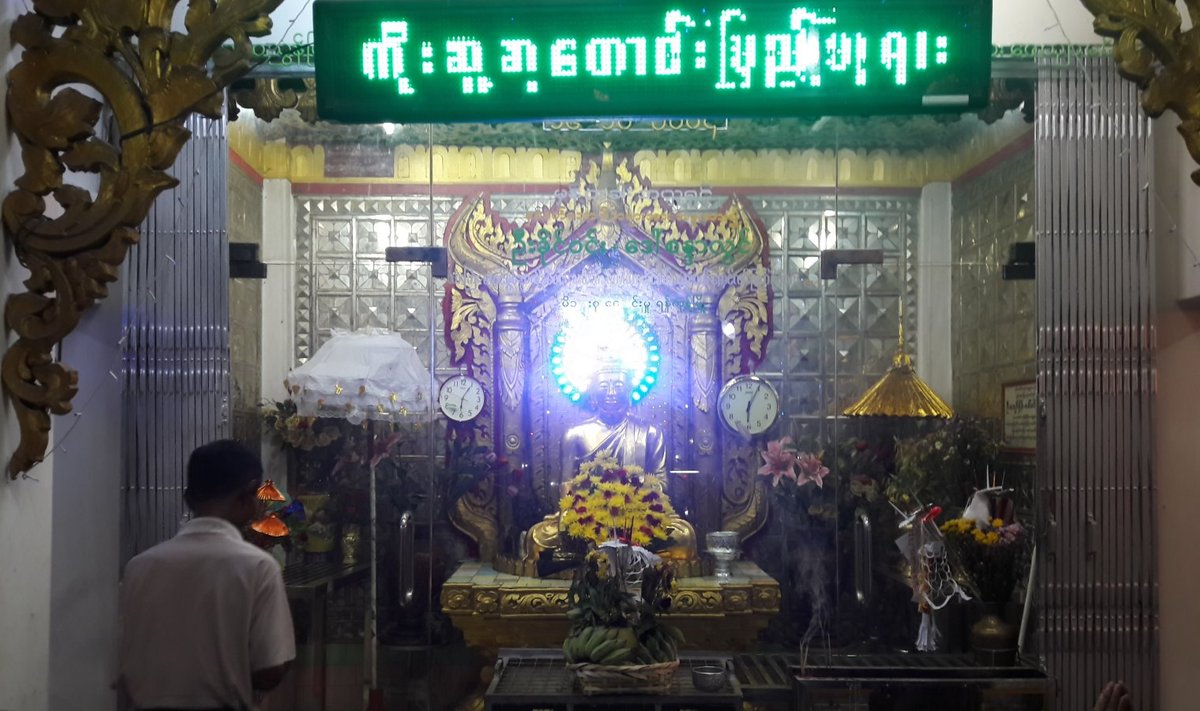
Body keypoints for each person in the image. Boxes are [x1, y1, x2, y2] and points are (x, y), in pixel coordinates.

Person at [118, 440, 295, 710]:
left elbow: (125, 668)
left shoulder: (139, 567)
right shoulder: (257, 567)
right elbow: (270, 671)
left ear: (188, 499)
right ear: (249, 495)